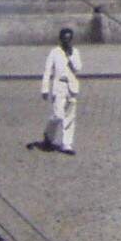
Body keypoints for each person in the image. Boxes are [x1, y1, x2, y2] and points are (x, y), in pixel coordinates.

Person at [38, 26, 81, 155]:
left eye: (69, 39)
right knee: (58, 115)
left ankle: (66, 144)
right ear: (60, 40)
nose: (67, 42)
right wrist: (45, 88)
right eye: (65, 39)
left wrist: (70, 56)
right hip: (59, 86)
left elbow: (78, 68)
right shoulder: (54, 52)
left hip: (71, 87)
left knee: (69, 115)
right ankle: (48, 135)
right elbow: (47, 71)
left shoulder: (75, 52)